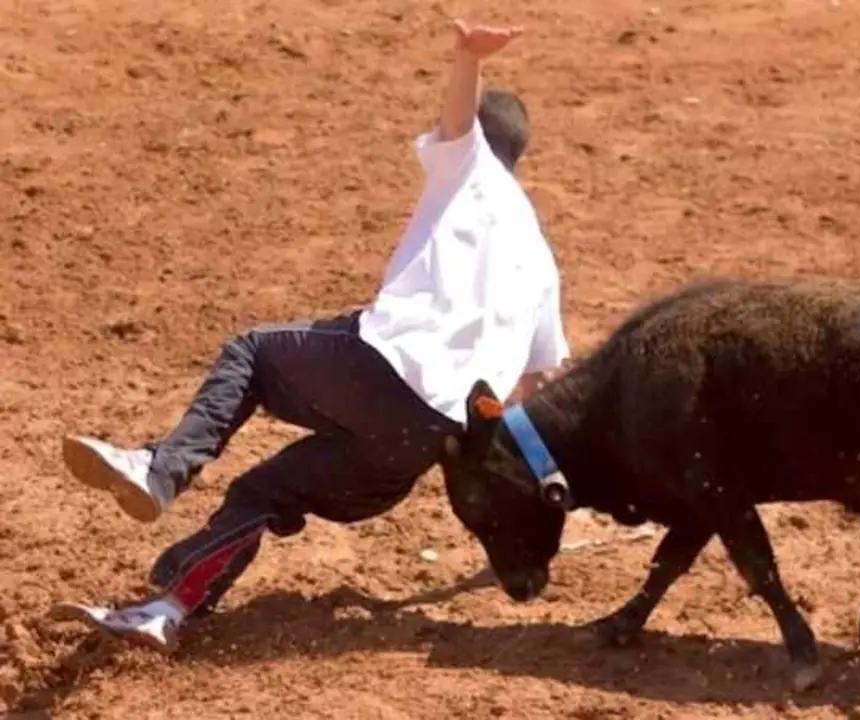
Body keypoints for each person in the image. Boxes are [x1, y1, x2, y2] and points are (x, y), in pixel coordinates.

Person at [51, 18, 570, 654]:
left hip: (381, 369)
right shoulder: (541, 258)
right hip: (421, 441)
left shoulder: (472, 170)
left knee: (252, 352)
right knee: (265, 492)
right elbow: (534, 388)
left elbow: (460, 120)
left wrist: (468, 57)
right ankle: (170, 607)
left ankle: (160, 469)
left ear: (485, 144)